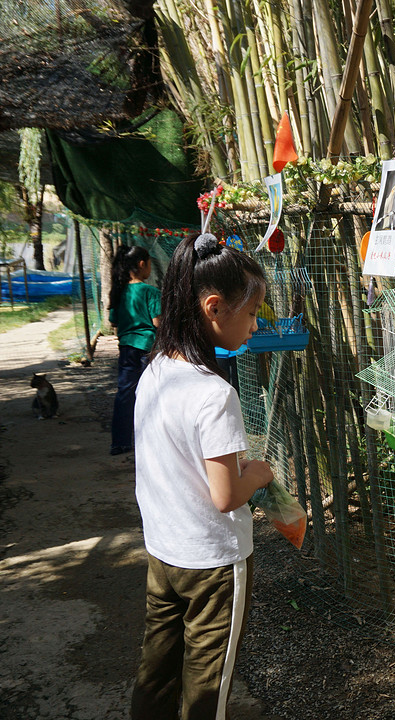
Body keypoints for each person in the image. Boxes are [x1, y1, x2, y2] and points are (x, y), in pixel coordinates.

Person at [130, 232, 274, 720]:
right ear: (214, 307)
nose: (255, 326)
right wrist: (257, 474)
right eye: (252, 313)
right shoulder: (215, 395)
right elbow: (226, 494)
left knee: (159, 665)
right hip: (213, 563)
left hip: (164, 549)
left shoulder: (155, 370)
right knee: (208, 683)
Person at [108, 245, 160, 455]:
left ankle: (120, 442)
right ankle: (153, 441)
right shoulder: (151, 291)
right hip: (148, 348)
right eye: (148, 264)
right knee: (153, 394)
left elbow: (114, 322)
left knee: (125, 393)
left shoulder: (118, 291)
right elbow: (158, 323)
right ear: (142, 264)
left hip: (127, 348)